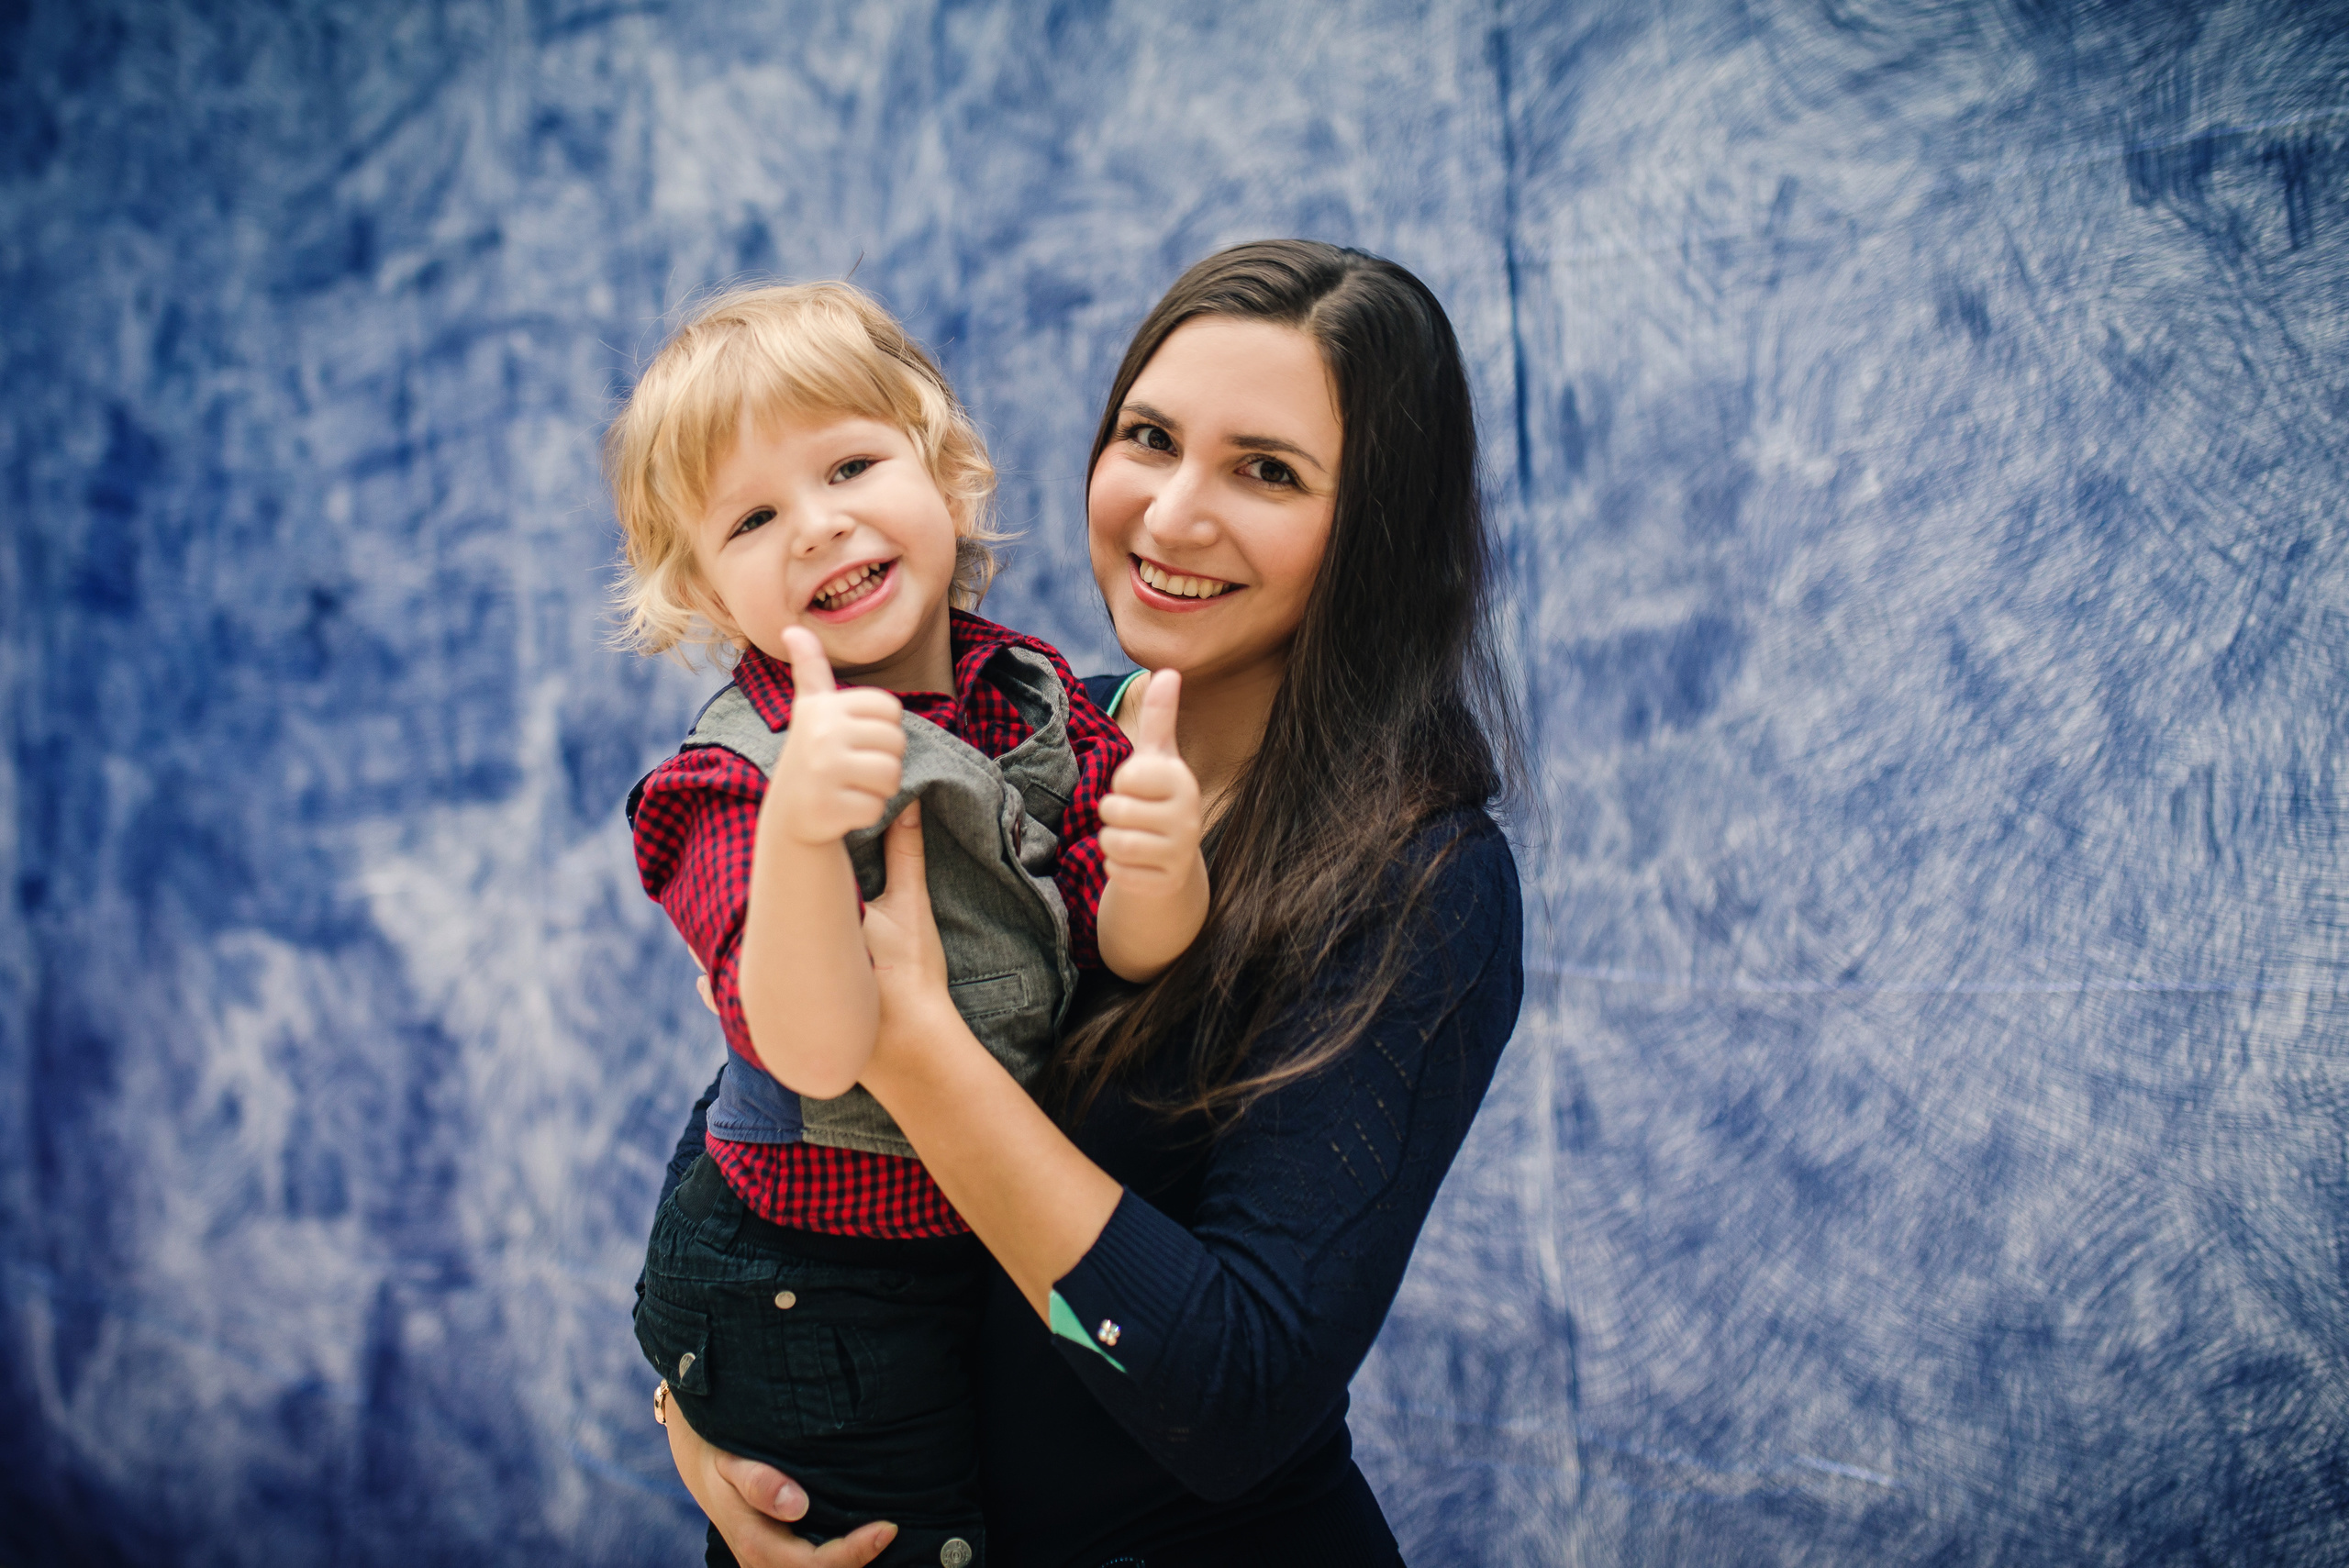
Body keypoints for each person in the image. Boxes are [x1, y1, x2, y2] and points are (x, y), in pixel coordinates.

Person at [655, 240, 1525, 1566]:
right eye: (1150, 437)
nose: (1172, 514)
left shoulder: (1422, 884)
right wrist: (726, 1390)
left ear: (1376, 530)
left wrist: (919, 1042)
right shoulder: (1042, 740)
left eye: (1268, 471)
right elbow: (782, 1093)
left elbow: (1233, 1394)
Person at [608, 283, 1212, 1567]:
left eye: (852, 465)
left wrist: (1161, 858)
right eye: (755, 517)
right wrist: (803, 839)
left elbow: (1124, 949)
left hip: (964, 1250)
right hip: (800, 1278)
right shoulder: (729, 784)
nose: (819, 526)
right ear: (707, 591)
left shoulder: (1033, 697)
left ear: (944, 477)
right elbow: (817, 1050)